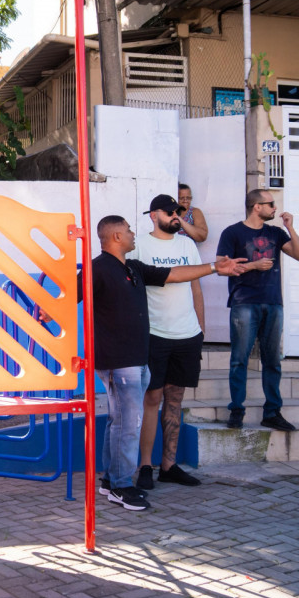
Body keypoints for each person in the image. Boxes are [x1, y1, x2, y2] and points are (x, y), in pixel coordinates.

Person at [65, 215, 242, 512]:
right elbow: (71, 295)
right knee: (128, 425)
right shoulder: (98, 268)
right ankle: (122, 486)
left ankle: (111, 480)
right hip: (118, 363)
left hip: (137, 360)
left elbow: (172, 274)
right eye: (129, 230)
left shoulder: (132, 267)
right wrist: (45, 315)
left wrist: (213, 267)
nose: (134, 234)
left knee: (118, 422)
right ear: (117, 236)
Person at [217, 190, 299, 431]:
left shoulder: (276, 233)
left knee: (272, 361)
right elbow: (221, 267)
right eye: (270, 204)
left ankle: (272, 412)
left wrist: (290, 228)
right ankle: (236, 410)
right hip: (244, 302)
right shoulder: (232, 232)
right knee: (239, 359)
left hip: (272, 302)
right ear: (256, 207)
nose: (275, 208)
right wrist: (253, 266)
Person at [132, 197, 204, 490]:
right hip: (155, 334)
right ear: (154, 215)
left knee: (175, 400)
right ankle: (145, 466)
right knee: (152, 399)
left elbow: (196, 284)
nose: (177, 216)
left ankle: (169, 466)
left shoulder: (187, 245)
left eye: (180, 212)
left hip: (187, 334)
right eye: (170, 212)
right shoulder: (138, 246)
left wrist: (201, 327)